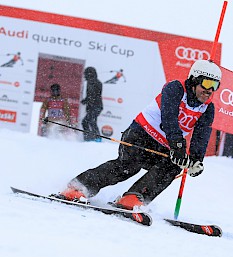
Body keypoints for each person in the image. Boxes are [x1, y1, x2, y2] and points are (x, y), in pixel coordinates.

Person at [57, 60, 222, 210]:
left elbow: (201, 136)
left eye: (215, 85)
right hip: (140, 134)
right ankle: (78, 187)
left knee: (172, 166)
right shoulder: (176, 88)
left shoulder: (208, 108)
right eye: (206, 83)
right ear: (193, 80)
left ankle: (134, 197)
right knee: (128, 166)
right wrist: (178, 146)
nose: (209, 90)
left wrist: (196, 160)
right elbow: (169, 119)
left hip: (164, 145)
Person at [81, 67, 103, 141]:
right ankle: (90, 138)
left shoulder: (97, 83)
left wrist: (86, 101)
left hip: (96, 106)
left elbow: (94, 96)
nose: (85, 76)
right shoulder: (89, 83)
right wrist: (86, 100)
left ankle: (96, 138)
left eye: (86, 74)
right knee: (88, 122)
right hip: (92, 107)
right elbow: (90, 96)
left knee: (89, 121)